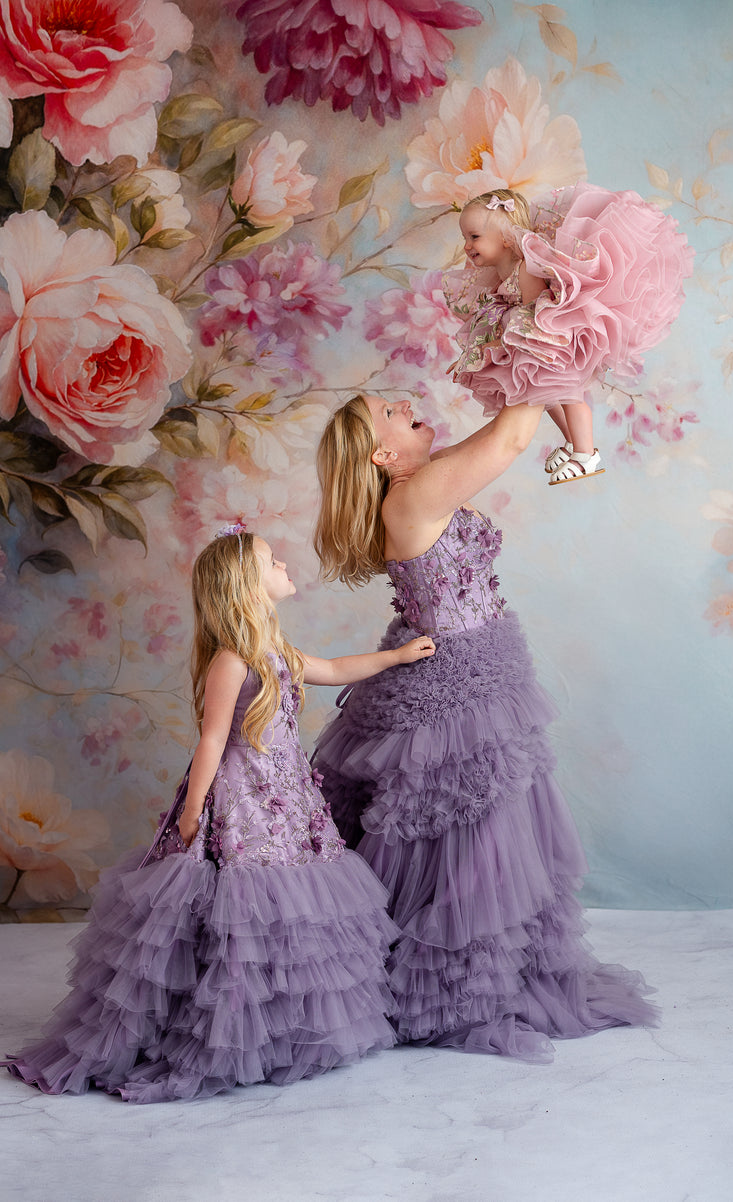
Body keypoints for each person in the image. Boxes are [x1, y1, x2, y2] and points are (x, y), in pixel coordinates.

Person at [4, 524, 435, 1103]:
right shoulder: (231, 661)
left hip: (286, 801)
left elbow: (332, 668)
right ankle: (216, 1029)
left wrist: (396, 656)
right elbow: (210, 742)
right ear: (247, 585)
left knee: (289, 908)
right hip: (240, 800)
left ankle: (284, 1026)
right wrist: (193, 812)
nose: (285, 565)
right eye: (272, 560)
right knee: (232, 908)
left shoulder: (276, 652)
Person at [312, 395, 657, 1062]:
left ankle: (475, 978)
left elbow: (501, 430)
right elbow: (511, 438)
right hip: (458, 684)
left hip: (481, 669)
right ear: (383, 456)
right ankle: (455, 994)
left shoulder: (428, 478)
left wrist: (532, 347)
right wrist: (536, 340)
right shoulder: (412, 497)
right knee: (474, 841)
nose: (406, 401)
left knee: (486, 837)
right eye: (388, 409)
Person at [447, 185, 694, 483]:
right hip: (534, 341)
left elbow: (531, 313)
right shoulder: (502, 273)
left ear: (503, 236)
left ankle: (586, 454)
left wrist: (499, 343)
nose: (467, 246)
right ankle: (571, 443)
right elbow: (499, 316)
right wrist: (478, 352)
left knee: (568, 394)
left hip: (552, 338)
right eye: (465, 238)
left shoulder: (524, 268)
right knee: (545, 393)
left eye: (474, 237)